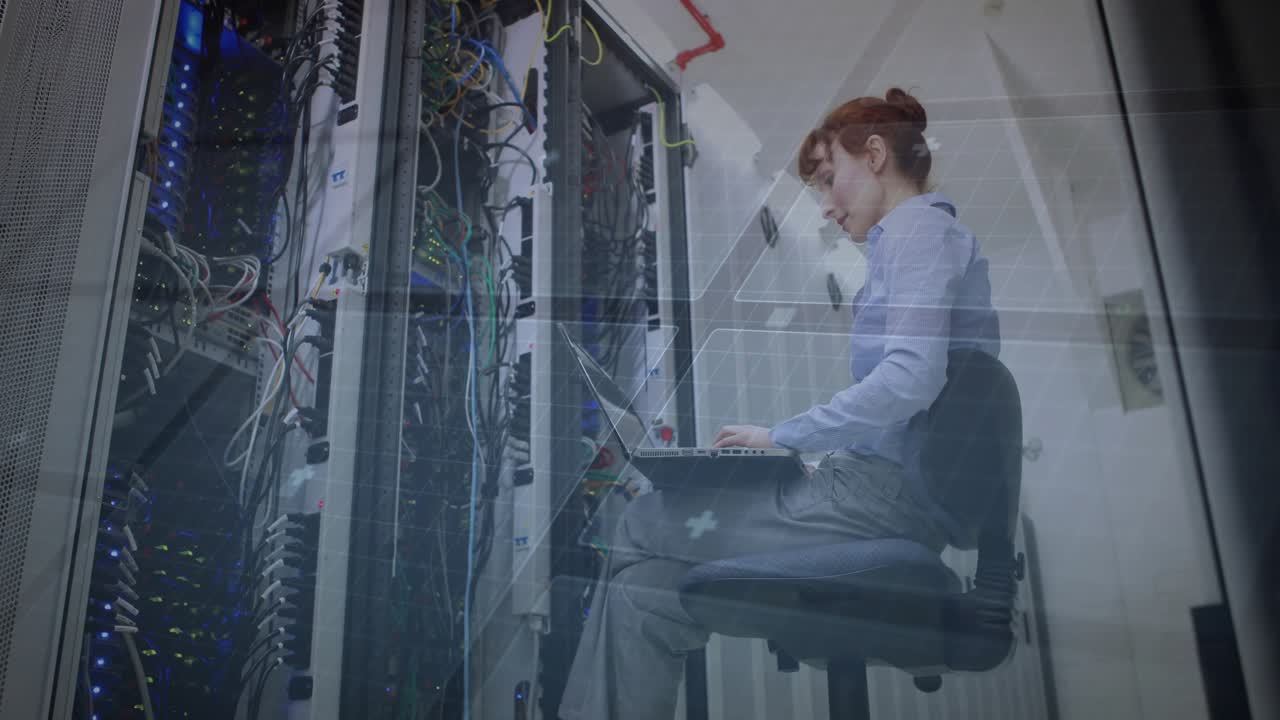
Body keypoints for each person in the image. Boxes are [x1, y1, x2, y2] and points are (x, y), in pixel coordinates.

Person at [557, 88, 1001, 720]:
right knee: (643, 592)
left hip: (878, 505)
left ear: (873, 154)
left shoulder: (920, 233)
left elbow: (911, 378)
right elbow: (915, 411)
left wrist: (785, 436)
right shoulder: (912, 245)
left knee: (641, 521)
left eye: (828, 180)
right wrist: (820, 462)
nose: (825, 207)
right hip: (875, 494)